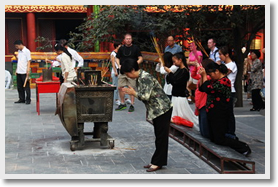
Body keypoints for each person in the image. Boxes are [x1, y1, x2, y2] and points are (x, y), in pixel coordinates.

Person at [121, 58, 172, 172]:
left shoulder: (145, 77)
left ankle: (158, 162)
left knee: (161, 137)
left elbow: (145, 96)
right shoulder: (141, 77)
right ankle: (156, 161)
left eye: (128, 73)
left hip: (162, 109)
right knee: (159, 136)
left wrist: (133, 93)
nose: (128, 76)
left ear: (133, 69)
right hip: (156, 109)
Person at [198, 62, 251, 156]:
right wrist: (203, 76)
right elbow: (202, 88)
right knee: (213, 138)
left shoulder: (224, 81)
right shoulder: (215, 81)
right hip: (212, 112)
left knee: (220, 138)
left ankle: (243, 147)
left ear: (217, 71)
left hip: (220, 113)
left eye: (210, 74)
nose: (210, 76)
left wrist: (204, 76)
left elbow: (208, 89)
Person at [164, 52, 199, 127]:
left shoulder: (184, 71)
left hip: (180, 96)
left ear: (180, 60)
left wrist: (170, 72)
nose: (174, 63)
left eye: (174, 61)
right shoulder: (179, 70)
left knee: (183, 115)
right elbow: (170, 80)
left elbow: (176, 81)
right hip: (175, 95)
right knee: (175, 115)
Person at [115, 33, 143, 112]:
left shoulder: (135, 48)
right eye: (127, 39)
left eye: (130, 38)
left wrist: (135, 64)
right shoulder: (121, 48)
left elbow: (140, 58)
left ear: (132, 39)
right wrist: (119, 65)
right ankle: (123, 103)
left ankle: (132, 104)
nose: (128, 40)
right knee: (120, 87)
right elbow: (117, 58)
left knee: (132, 87)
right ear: (124, 40)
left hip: (132, 71)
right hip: (123, 71)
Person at [191, 58, 214, 138]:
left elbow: (205, 83)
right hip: (200, 102)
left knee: (204, 125)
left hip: (204, 102)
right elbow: (193, 75)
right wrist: (195, 67)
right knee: (202, 125)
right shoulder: (202, 76)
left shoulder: (208, 77)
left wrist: (198, 68)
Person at [218, 46, 238, 139]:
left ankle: (231, 132)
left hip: (230, 90)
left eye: (221, 54)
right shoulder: (223, 65)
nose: (219, 56)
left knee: (229, 112)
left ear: (227, 54)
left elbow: (222, 75)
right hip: (222, 90)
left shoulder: (232, 65)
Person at [13, 40, 31, 104]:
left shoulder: (27, 51)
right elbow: (19, 60)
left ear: (21, 44)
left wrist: (28, 69)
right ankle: (21, 98)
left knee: (26, 86)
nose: (17, 48)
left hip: (24, 71)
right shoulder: (19, 51)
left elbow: (29, 61)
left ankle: (28, 99)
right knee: (19, 86)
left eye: (17, 46)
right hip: (19, 71)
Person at [110, 41, 122, 106]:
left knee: (121, 86)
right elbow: (113, 63)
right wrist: (115, 71)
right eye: (120, 46)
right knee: (115, 86)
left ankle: (124, 99)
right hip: (115, 71)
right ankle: (116, 99)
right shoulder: (113, 53)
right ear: (117, 46)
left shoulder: (120, 53)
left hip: (120, 70)